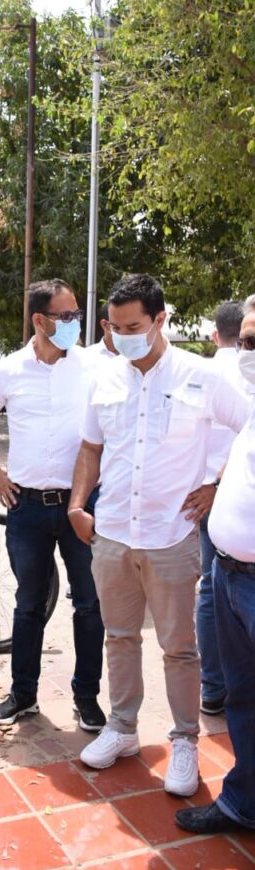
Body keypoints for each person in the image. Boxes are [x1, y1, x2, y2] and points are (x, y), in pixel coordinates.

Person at [69, 274, 249, 797]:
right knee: (119, 637)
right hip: (114, 534)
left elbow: (250, 428)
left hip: (172, 536)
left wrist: (215, 485)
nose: (124, 335)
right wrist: (79, 506)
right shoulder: (103, 379)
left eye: (135, 326)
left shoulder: (202, 376)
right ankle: (122, 728)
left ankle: (185, 740)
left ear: (160, 320)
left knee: (179, 646)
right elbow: (89, 449)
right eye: (115, 327)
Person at [0, 278, 106, 731]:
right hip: (26, 507)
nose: (74, 323)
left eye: (77, 315)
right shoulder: (6, 370)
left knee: (89, 603)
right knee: (28, 604)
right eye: (66, 316)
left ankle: (87, 697)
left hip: (81, 506)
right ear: (39, 320)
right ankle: (23, 694)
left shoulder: (92, 367)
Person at [175, 305, 255, 834]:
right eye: (247, 342)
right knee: (243, 698)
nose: (248, 356)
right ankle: (243, 803)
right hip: (229, 573)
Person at [197, 300, 246, 716]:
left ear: (215, 335)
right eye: (246, 342)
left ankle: (214, 687)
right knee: (214, 593)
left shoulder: (208, 373)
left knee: (210, 595)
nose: (246, 355)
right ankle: (217, 686)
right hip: (214, 504)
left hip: (208, 498)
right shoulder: (222, 377)